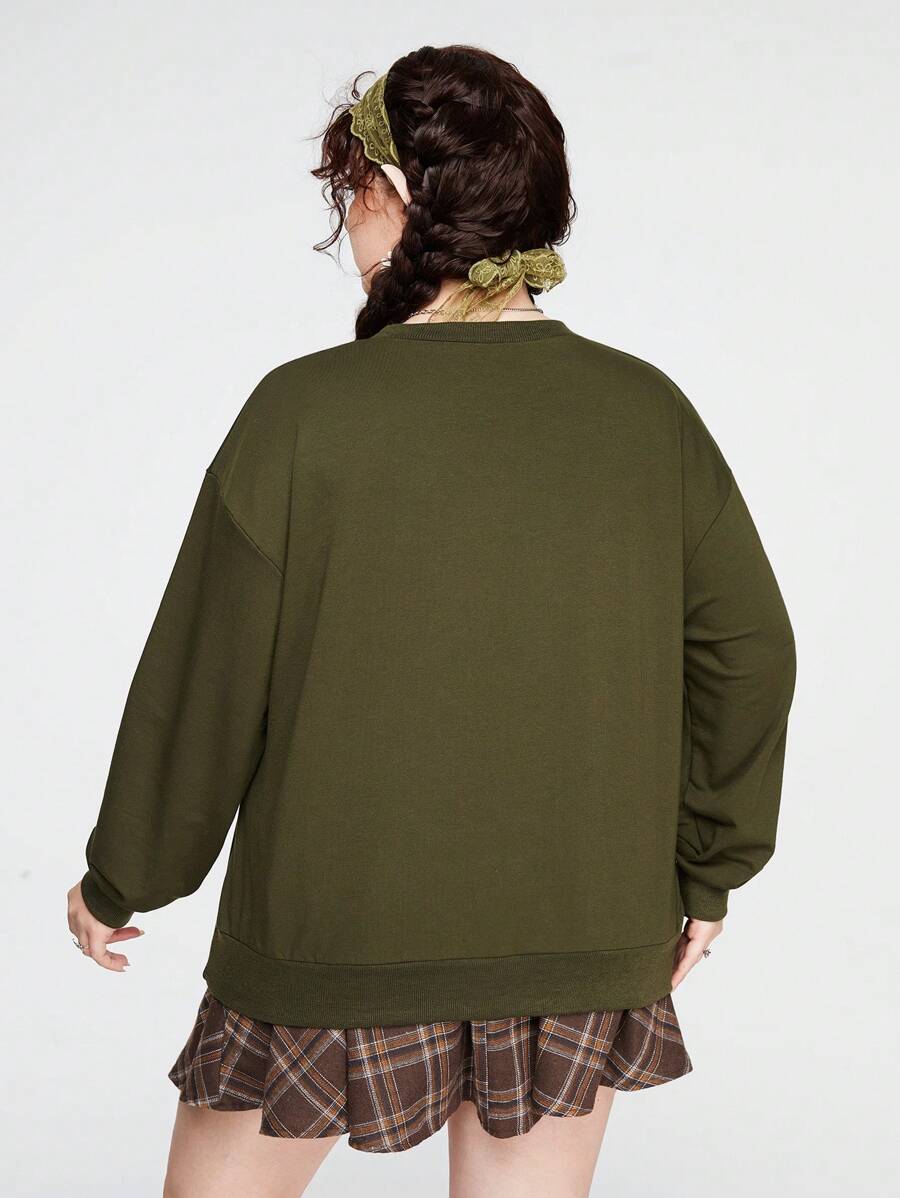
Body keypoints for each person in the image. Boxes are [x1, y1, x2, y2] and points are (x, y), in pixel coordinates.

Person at [67, 44, 797, 1198]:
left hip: (333, 937)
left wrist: (123, 876)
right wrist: (709, 869)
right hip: (578, 938)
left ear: (398, 197)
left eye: (351, 191)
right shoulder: (647, 414)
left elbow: (206, 682)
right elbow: (752, 653)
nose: (347, 225)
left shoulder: (302, 415)